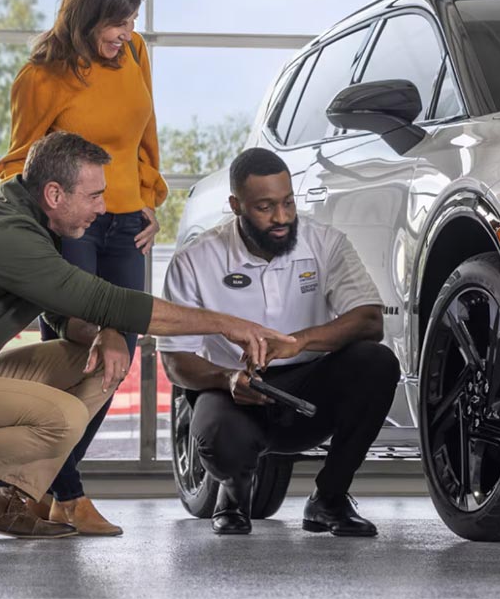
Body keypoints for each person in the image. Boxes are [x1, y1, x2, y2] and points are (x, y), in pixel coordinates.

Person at [0, 132, 291, 542]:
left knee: (98, 365)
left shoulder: (28, 222)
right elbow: (106, 299)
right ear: (54, 194)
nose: (102, 209)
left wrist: (106, 332)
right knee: (64, 417)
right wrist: (227, 324)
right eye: (94, 197)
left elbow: (62, 313)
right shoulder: (8, 236)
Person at [0, 0, 165, 536]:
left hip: (127, 226)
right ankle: (65, 493)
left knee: (119, 356)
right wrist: (48, 225)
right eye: (117, 21)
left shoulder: (135, 53)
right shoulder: (41, 76)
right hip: (73, 228)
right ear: (87, 15)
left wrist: (148, 196)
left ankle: (42, 490)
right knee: (78, 352)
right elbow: (17, 164)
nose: (127, 31)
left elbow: (145, 135)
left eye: (133, 18)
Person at [160, 148, 399, 537]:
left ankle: (329, 499)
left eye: (288, 203)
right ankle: (233, 495)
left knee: (378, 362)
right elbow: (175, 362)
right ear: (236, 206)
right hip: (236, 391)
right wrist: (227, 379)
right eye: (265, 207)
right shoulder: (194, 260)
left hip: (309, 389)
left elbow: (370, 320)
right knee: (220, 438)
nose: (282, 217)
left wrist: (299, 342)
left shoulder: (325, 243)